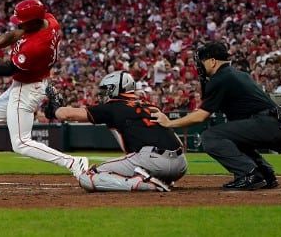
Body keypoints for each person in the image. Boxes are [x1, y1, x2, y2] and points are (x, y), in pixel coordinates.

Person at [0, 0, 88, 186]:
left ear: (34, 22)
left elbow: (8, 70)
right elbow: (14, 34)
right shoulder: (49, 20)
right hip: (25, 85)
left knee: (21, 142)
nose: (19, 23)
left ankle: (73, 162)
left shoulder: (36, 46)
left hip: (28, 88)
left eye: (23, 21)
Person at [153, 41, 281, 190]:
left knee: (210, 137)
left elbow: (201, 116)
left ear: (212, 62)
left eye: (202, 62)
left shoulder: (221, 78)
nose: (199, 67)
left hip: (266, 123)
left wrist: (169, 123)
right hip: (276, 123)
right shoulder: (237, 74)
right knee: (232, 138)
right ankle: (265, 174)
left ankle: (249, 173)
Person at [55, 71, 186, 192]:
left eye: (107, 89)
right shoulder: (151, 106)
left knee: (87, 177)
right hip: (180, 165)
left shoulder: (113, 107)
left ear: (116, 88)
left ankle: (143, 184)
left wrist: (55, 108)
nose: (105, 93)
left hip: (152, 161)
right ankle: (159, 179)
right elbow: (178, 140)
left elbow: (67, 115)